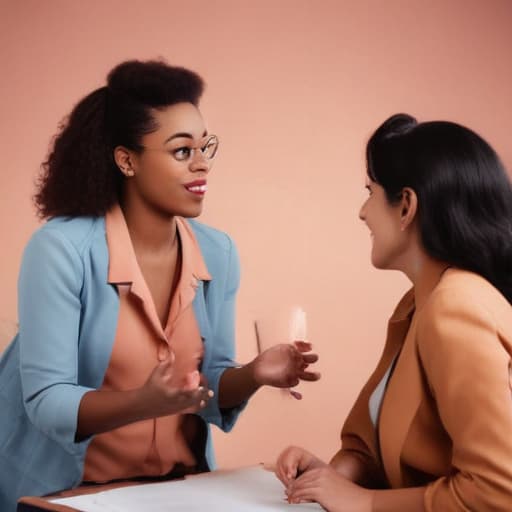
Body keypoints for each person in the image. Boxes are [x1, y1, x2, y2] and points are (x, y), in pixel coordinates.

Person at [0, 59, 320, 511]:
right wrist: (143, 402)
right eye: (182, 151)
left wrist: (254, 375)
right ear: (126, 160)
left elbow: (204, 387)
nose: (203, 164)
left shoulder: (218, 253)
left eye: (205, 147)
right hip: (72, 496)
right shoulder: (59, 250)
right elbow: (47, 402)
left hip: (179, 491)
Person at [276, 113, 512, 511]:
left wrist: (365, 502)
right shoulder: (419, 303)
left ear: (405, 206)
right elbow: (382, 443)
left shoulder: (456, 307)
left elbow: (496, 492)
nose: (362, 212)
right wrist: (337, 476)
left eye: (370, 191)